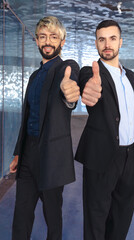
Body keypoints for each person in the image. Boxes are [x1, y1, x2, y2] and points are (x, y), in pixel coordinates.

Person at [75, 19, 134, 240]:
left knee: (121, 219)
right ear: (96, 44)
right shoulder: (90, 72)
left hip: (132, 157)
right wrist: (89, 90)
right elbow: (88, 85)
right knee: (96, 221)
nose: (107, 44)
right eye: (102, 39)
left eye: (112, 38)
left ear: (120, 42)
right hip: (102, 156)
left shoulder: (131, 76)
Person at [9, 16, 80, 240]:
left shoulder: (66, 68)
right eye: (42, 37)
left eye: (53, 37)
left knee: (53, 217)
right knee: (21, 214)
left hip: (52, 157)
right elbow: (27, 117)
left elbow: (70, 89)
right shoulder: (33, 76)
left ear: (62, 41)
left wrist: (70, 94)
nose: (47, 41)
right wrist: (19, 153)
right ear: (37, 41)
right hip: (28, 153)